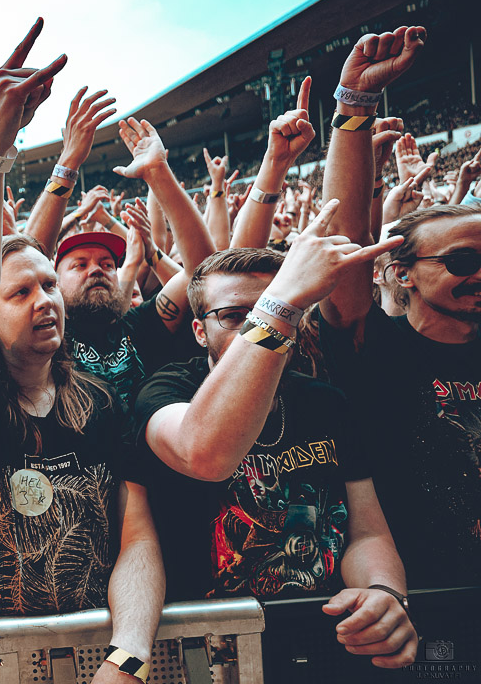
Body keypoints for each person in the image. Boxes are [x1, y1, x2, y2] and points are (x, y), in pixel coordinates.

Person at [0, 19, 164, 684]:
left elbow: (136, 533)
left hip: (92, 660)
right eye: (20, 292)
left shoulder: (99, 400)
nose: (45, 300)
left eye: (49, 285)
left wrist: (129, 653)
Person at [131, 213, 417, 669]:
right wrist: (278, 303)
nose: (255, 325)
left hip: (327, 641)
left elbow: (366, 532)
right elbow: (203, 452)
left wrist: (383, 593)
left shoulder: (325, 402)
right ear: (199, 331)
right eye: (234, 316)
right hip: (213, 653)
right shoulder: (166, 391)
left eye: (273, 309)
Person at [317, 25, 481, 591]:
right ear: (401, 273)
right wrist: (354, 106)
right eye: (461, 261)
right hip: (421, 599)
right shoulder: (374, 346)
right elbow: (345, 241)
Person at [27, 99, 216, 402]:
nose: (96, 269)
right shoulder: (49, 336)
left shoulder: (141, 327)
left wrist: (159, 173)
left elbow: (204, 272)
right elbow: (27, 257)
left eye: (107, 264)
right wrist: (68, 163)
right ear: (53, 282)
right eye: (79, 265)